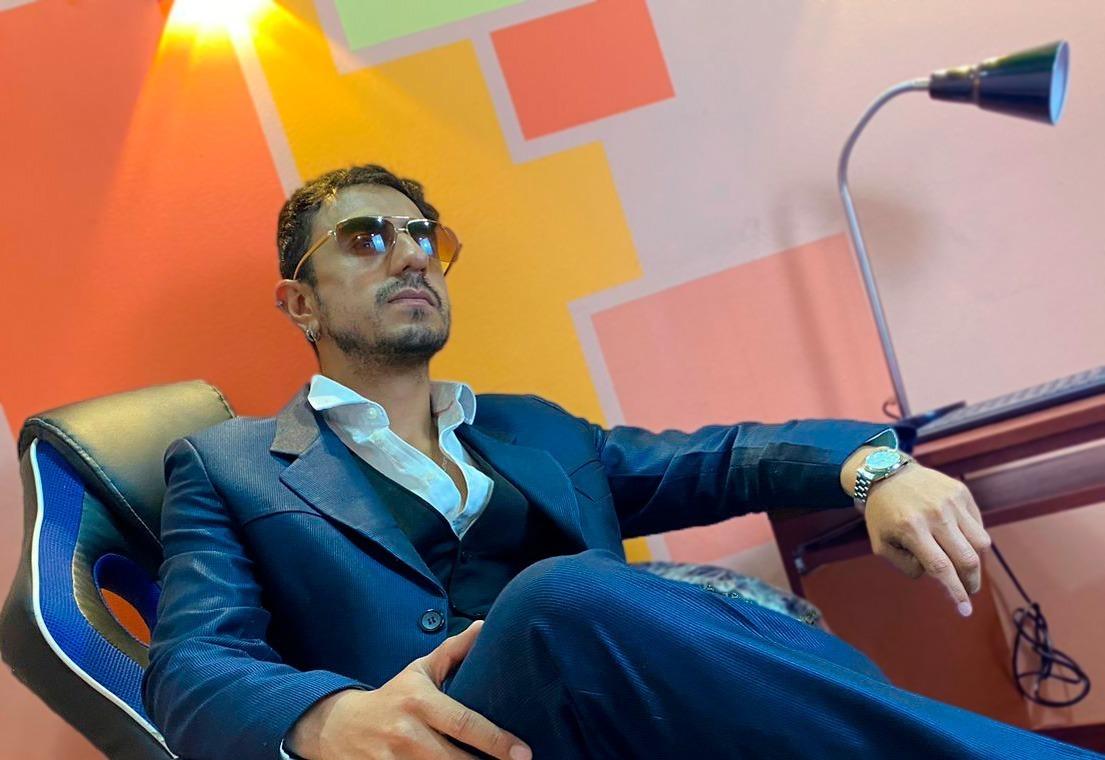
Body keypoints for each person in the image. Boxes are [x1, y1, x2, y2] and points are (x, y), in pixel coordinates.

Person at [141, 165, 1098, 760]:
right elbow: (190, 663)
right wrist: (325, 719)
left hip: (618, 728)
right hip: (443, 740)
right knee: (562, 594)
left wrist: (875, 468)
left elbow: (722, 459)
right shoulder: (230, 467)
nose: (411, 256)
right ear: (300, 303)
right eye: (365, 239)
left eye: (424, 236)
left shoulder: (536, 431)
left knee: (749, 632)